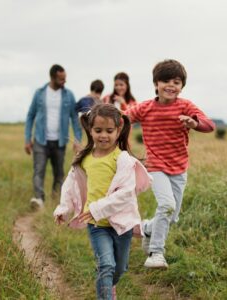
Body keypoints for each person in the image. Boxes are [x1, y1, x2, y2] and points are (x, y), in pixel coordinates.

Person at [53, 104, 151, 300]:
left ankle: (109, 286)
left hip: (121, 225)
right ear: (90, 130)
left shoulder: (122, 159)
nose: (103, 136)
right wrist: (64, 208)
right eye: (98, 130)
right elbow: (70, 184)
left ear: (119, 129)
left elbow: (125, 193)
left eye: (109, 131)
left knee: (119, 268)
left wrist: (98, 208)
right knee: (106, 265)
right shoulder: (85, 159)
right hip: (96, 225)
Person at [125, 59, 216, 269]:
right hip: (156, 165)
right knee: (166, 206)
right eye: (165, 81)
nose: (171, 86)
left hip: (179, 167)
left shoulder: (186, 106)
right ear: (156, 83)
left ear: (181, 86)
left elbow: (209, 124)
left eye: (176, 82)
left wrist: (194, 123)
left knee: (172, 217)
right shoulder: (146, 108)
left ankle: (146, 228)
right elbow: (122, 118)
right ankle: (156, 253)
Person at [25, 64, 82, 209]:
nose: (64, 82)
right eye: (61, 79)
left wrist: (77, 139)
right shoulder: (40, 93)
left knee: (59, 173)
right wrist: (27, 139)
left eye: (65, 79)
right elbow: (30, 115)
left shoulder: (69, 95)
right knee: (39, 170)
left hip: (60, 141)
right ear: (52, 78)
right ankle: (39, 200)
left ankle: (56, 201)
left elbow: (74, 118)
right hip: (40, 140)